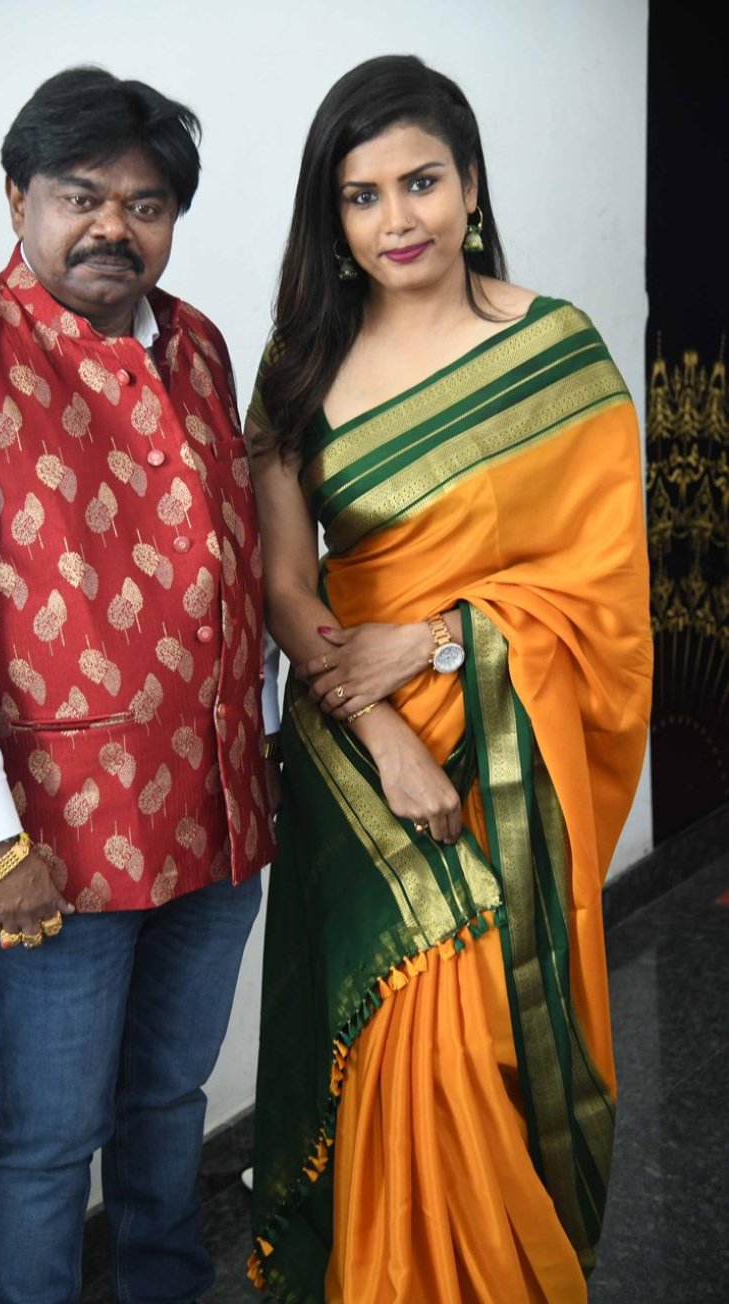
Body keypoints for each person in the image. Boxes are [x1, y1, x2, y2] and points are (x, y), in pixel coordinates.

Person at [0, 67, 280, 1304]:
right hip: (54, 845)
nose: (112, 228)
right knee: (49, 1137)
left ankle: (163, 1285)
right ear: (18, 198)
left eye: (145, 205)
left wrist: (264, 744)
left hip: (217, 817)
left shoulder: (198, 345)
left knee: (169, 1098)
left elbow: (235, 566)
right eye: (80, 196)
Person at [244, 54, 651, 1303]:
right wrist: (388, 730)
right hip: (357, 743)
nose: (397, 219)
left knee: (487, 1042)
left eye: (421, 182)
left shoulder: (556, 350)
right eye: (362, 196)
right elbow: (287, 588)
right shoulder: (300, 366)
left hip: (510, 732)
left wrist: (440, 638)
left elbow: (603, 591)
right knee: (407, 1045)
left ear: (471, 185)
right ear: (333, 216)